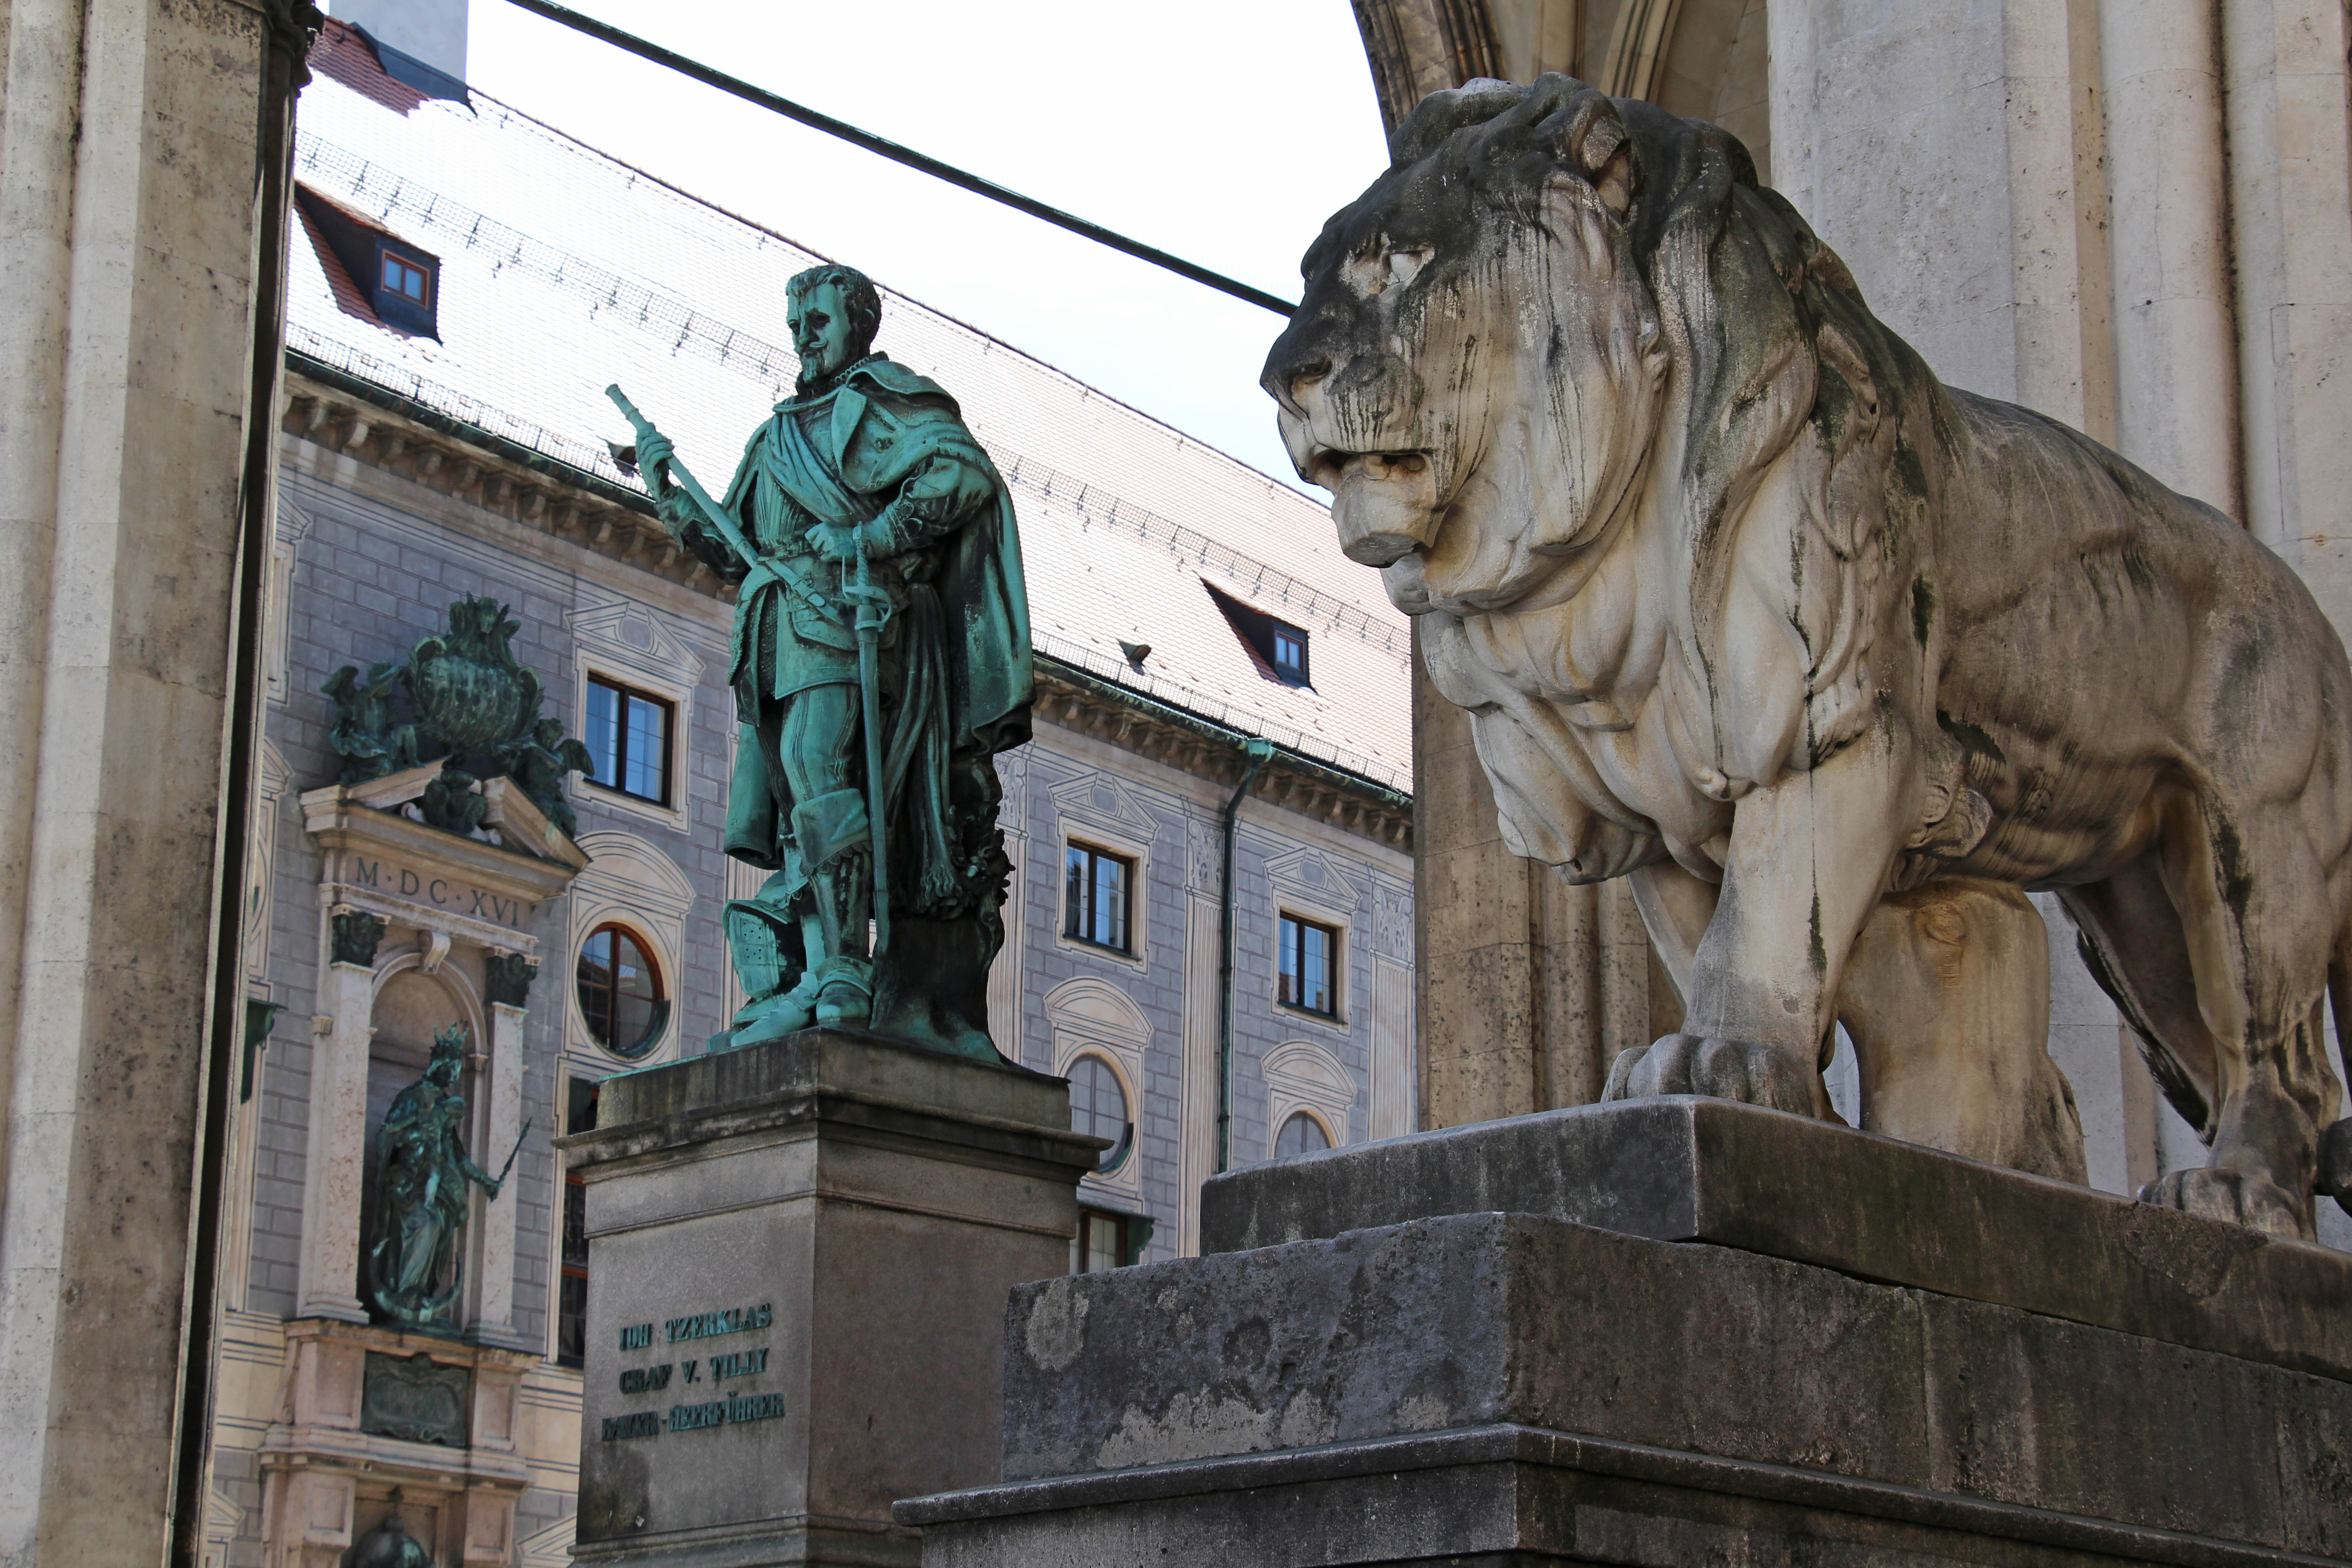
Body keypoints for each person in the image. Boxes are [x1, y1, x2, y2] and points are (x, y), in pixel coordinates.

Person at [633, 265, 1029, 1042]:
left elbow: (963, 478)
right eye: (794, 321)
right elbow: (738, 545)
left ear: (857, 324)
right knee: (796, 813)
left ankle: (846, 966)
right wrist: (671, 499)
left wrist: (868, 539)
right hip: (775, 637)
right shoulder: (777, 434)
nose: (802, 335)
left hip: (850, 625)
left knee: (820, 773)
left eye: (817, 319)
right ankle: (817, 968)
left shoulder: (886, 402)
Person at [366, 1023, 502, 1327]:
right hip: (408, 1184)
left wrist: (487, 1182)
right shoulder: (412, 1100)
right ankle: (405, 1291)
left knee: (439, 1226)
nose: (454, 1076)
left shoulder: (443, 1112)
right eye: (451, 1069)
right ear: (440, 1066)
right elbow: (388, 1137)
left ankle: (421, 1291)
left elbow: (459, 1159)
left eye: (457, 1069)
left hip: (435, 1185)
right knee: (424, 1225)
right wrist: (408, 1138)